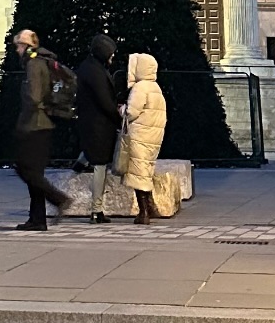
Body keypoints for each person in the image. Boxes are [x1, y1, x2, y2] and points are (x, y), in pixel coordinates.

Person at [12, 29, 72, 232]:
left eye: (18, 44)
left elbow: (34, 96)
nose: (17, 49)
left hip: (35, 125)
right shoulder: (39, 62)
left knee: (25, 169)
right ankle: (37, 219)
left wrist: (23, 123)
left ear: (27, 45)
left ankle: (58, 199)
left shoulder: (34, 64)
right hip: (41, 123)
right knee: (33, 172)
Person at [75, 34, 120, 224]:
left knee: (92, 153)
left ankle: (79, 164)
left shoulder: (90, 67)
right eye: (111, 53)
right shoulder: (95, 71)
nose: (113, 57)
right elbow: (104, 101)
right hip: (98, 125)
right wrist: (118, 115)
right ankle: (96, 210)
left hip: (93, 124)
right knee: (100, 165)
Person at [123, 52, 168, 226]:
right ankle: (151, 207)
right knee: (146, 171)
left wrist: (122, 110)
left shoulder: (140, 87)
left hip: (140, 136)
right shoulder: (155, 87)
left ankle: (144, 213)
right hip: (153, 137)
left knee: (138, 173)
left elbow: (132, 112)